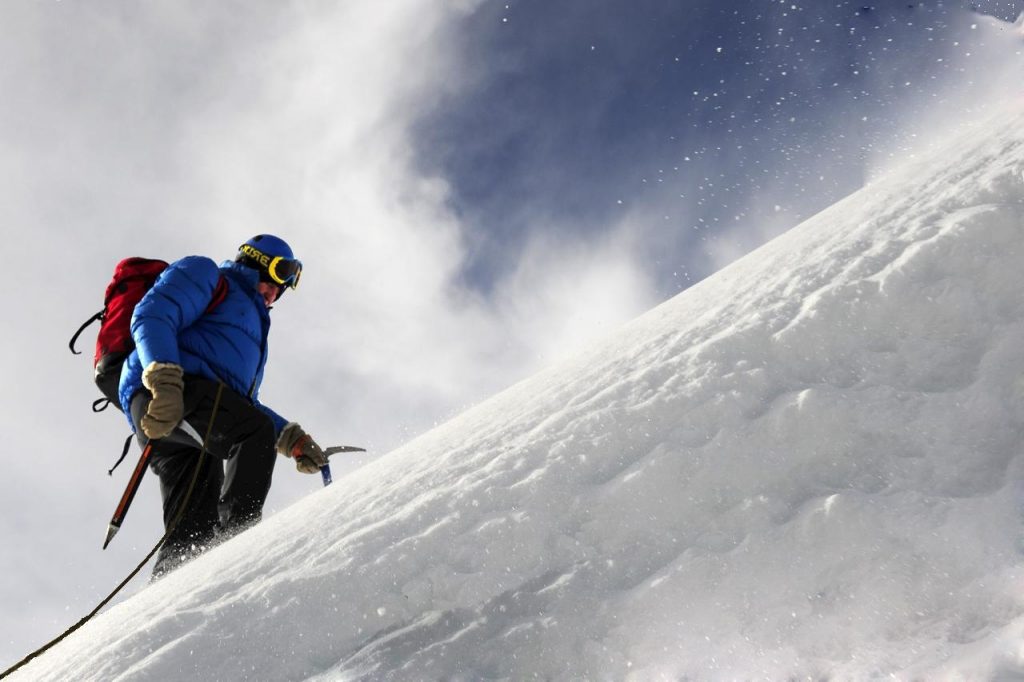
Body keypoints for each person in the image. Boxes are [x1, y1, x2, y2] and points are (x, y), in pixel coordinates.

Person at [119, 234, 328, 577]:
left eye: (285, 287)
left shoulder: (252, 331)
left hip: (196, 420)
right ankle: (237, 552)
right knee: (251, 432)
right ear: (256, 260)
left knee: (194, 532)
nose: (277, 291)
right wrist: (165, 381)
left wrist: (291, 438)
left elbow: (244, 405)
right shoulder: (208, 275)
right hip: (169, 395)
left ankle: (171, 601)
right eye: (277, 275)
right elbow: (152, 314)